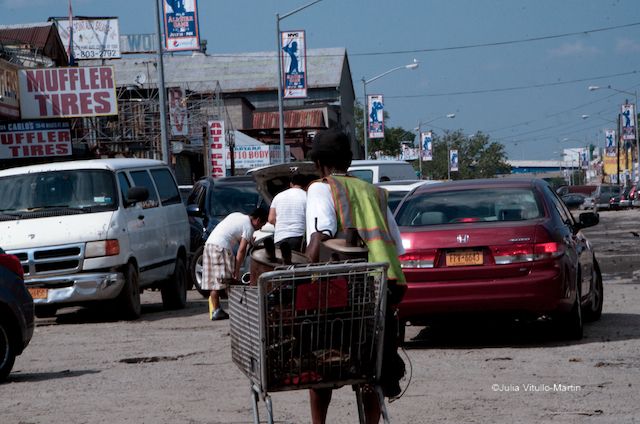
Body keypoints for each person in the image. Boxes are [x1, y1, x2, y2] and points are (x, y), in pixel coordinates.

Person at [305, 129, 407, 424]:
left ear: (318, 163)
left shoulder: (322, 188)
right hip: (381, 293)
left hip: (339, 293)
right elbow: (396, 245)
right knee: (370, 369)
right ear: (349, 161)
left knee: (321, 365)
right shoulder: (374, 192)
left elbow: (319, 238)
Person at [202, 208, 268, 320]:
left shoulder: (238, 215)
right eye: (261, 225)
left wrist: (250, 240)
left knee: (214, 282)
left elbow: (236, 233)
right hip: (221, 247)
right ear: (257, 220)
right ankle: (238, 308)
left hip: (209, 245)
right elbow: (241, 250)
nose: (260, 228)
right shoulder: (249, 226)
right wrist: (236, 270)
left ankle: (216, 310)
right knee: (229, 281)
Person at [268, 174, 307, 251]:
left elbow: (271, 219)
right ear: (305, 185)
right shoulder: (307, 196)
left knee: (281, 261)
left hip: (280, 237)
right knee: (298, 261)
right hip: (299, 237)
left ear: (291, 184)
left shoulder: (278, 197)